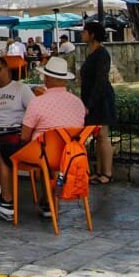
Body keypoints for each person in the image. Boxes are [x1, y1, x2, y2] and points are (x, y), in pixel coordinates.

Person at [21, 55, 89, 214]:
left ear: (47, 78)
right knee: (48, 157)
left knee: (10, 154)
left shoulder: (38, 102)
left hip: (44, 154)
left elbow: (24, 136)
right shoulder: (78, 102)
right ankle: (49, 199)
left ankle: (44, 200)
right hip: (71, 154)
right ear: (64, 80)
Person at [0, 58, 38, 220]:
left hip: (15, 133)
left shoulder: (21, 89)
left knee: (2, 147)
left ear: (7, 69)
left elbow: (35, 112)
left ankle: (6, 199)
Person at [80, 22, 116, 184]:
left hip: (100, 99)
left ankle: (107, 173)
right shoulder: (92, 52)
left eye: (85, 32)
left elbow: (101, 80)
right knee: (98, 137)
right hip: (91, 97)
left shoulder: (102, 54)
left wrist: (90, 104)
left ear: (92, 34)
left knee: (103, 136)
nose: (82, 34)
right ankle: (100, 170)